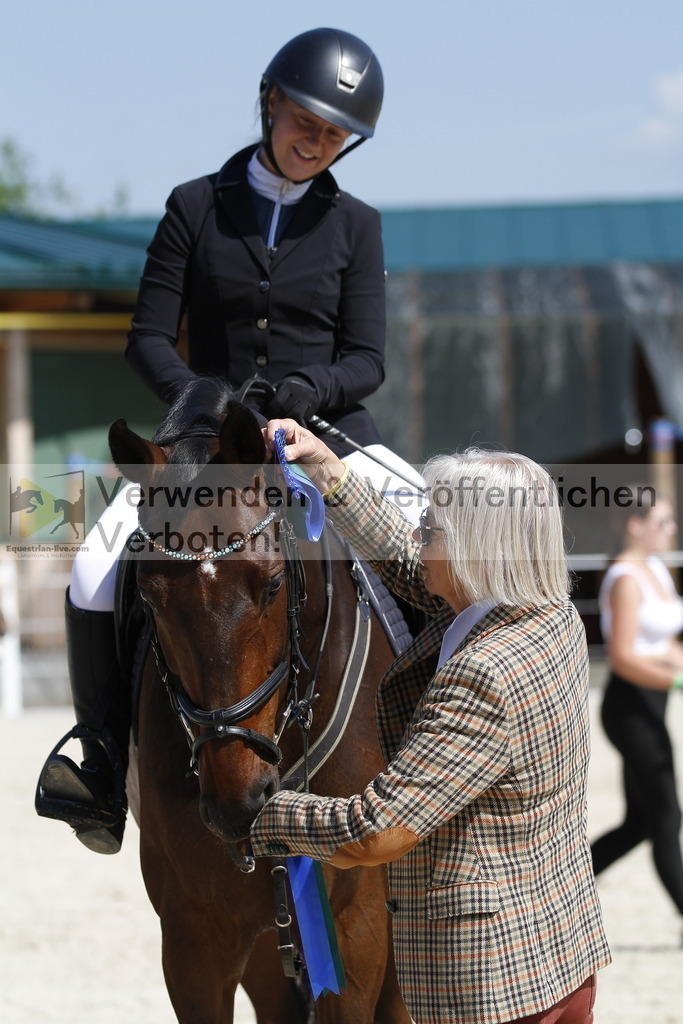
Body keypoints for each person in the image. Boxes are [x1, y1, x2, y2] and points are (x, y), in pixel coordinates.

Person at [35, 27, 421, 855]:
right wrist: (201, 407)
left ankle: (436, 750)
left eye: (334, 136)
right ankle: (102, 760)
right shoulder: (195, 205)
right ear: (270, 101)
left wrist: (303, 398)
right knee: (96, 561)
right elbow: (146, 339)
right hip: (205, 444)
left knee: (434, 538)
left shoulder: (356, 224)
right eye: (305, 123)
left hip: (323, 435)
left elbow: (367, 360)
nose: (316, 145)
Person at [249, 419, 611, 1024]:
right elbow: (409, 567)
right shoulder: (550, 615)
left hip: (491, 989)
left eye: (432, 527)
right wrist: (330, 474)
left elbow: (377, 829)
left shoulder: (485, 673)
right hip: (556, 957)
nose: (417, 532)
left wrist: (263, 813)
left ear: (477, 549)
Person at [590, 486, 683, 932]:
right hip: (630, 708)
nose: (672, 529)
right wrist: (678, 680)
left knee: (639, 823)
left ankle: (567, 885)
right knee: (667, 814)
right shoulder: (624, 577)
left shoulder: (656, 572)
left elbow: (664, 643)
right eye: (662, 522)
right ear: (636, 525)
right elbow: (624, 657)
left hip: (653, 703)